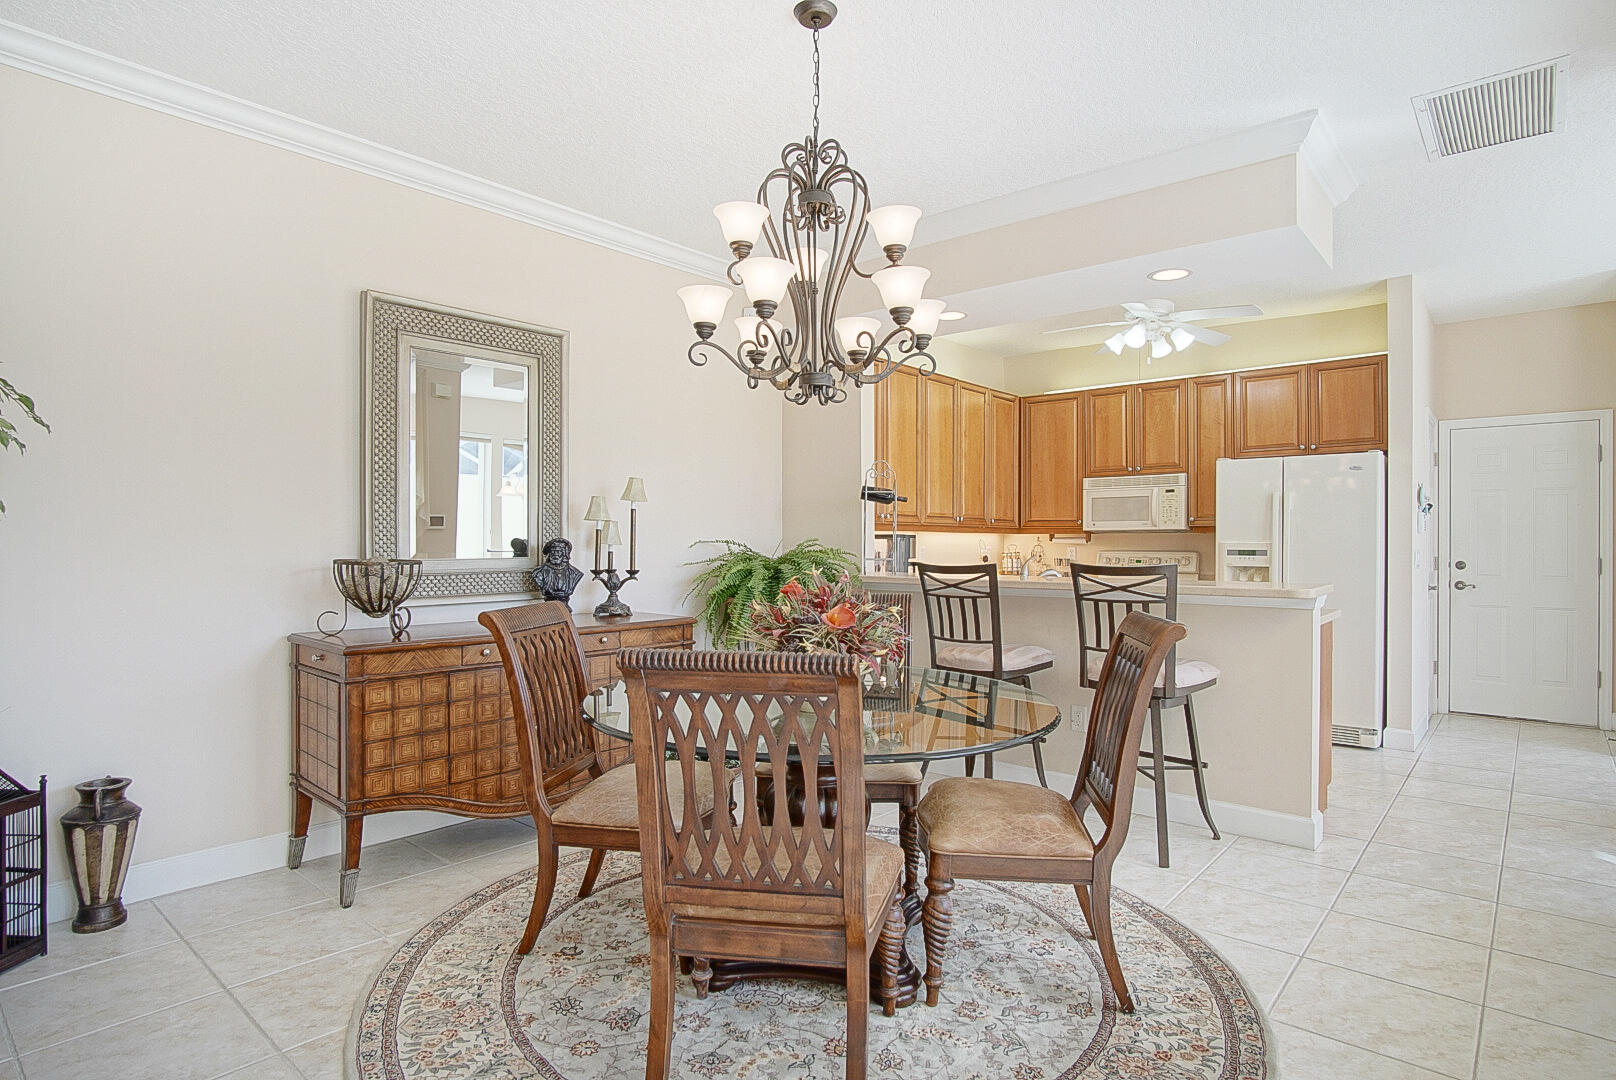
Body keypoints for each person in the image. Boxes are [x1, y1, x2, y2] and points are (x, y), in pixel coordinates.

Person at [532, 537, 584, 606]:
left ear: (565, 553)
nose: (555, 554)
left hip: (565, 607)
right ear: (549, 553)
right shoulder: (538, 572)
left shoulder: (575, 573)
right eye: (553, 551)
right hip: (549, 606)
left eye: (559, 551)